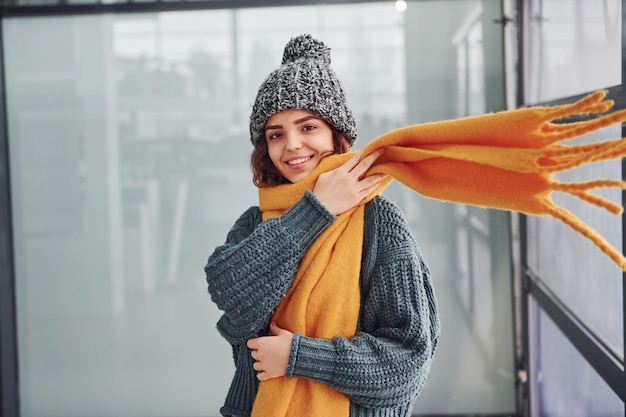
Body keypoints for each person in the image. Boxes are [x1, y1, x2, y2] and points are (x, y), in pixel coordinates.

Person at [204, 34, 440, 417]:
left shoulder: (379, 224)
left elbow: (408, 364)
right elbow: (233, 295)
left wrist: (299, 357)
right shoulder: (254, 223)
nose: (292, 145)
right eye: (275, 134)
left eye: (308, 127)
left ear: (336, 133)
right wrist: (318, 210)